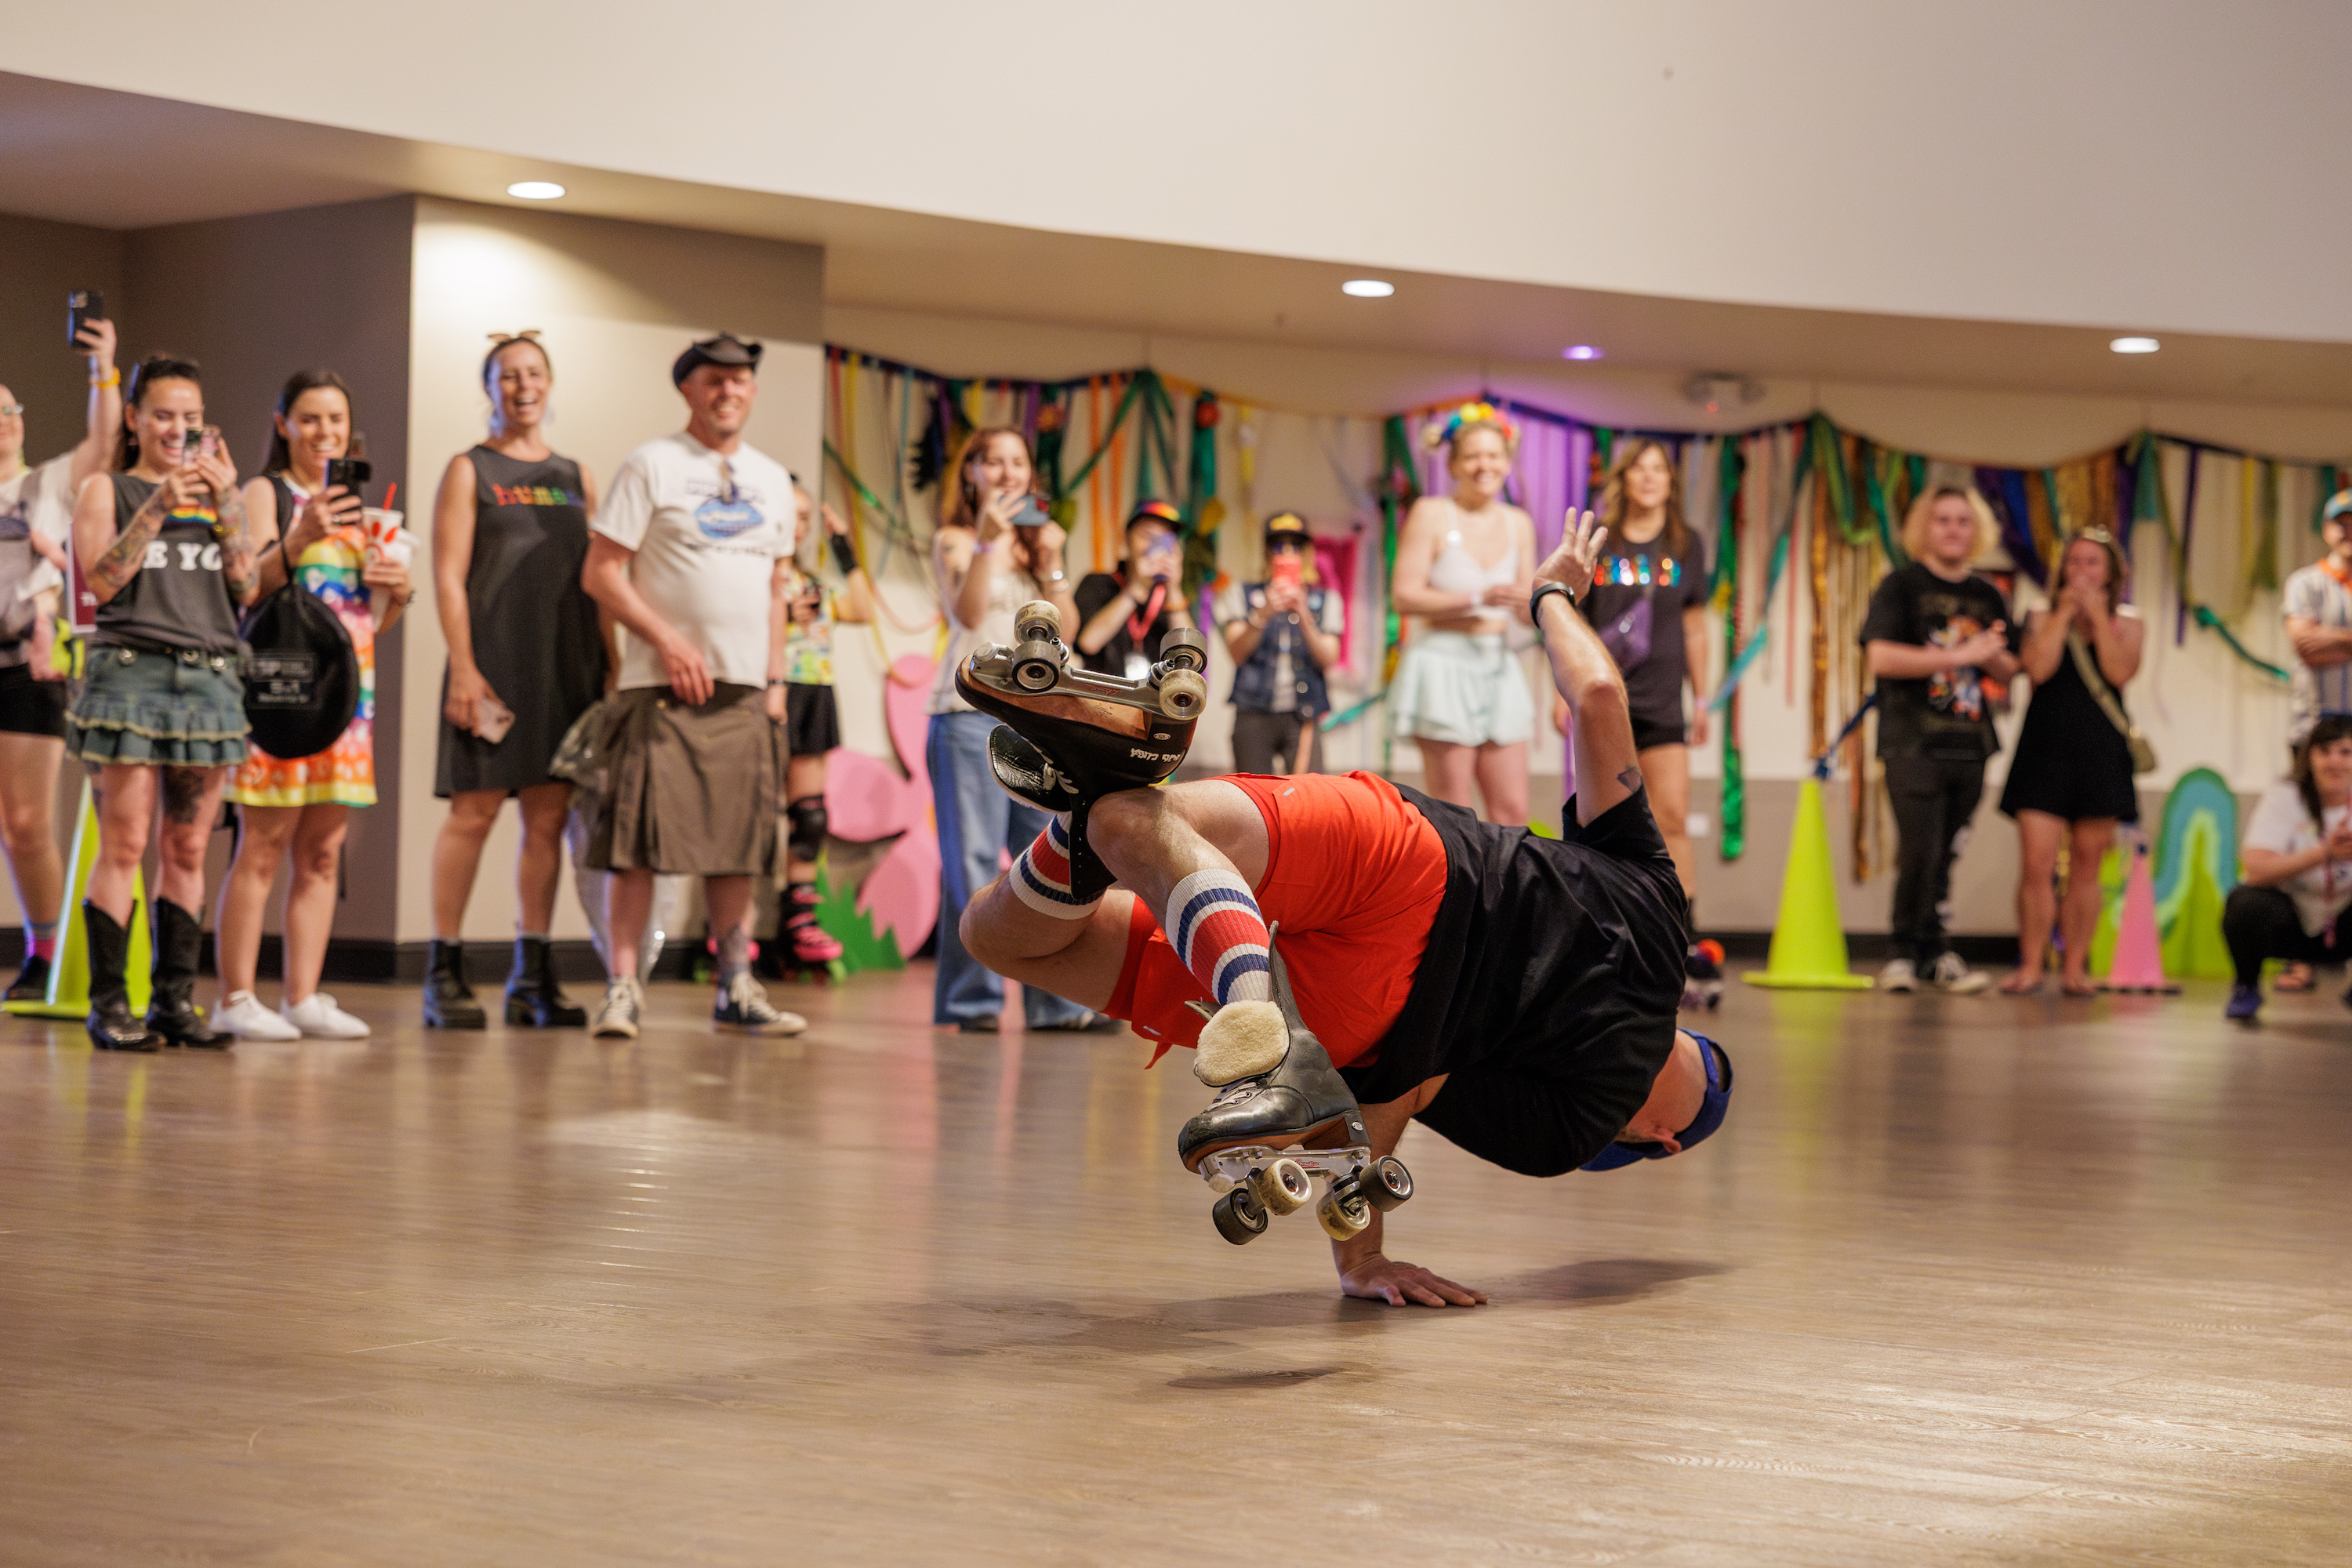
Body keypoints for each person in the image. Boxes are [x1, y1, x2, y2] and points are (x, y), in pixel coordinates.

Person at [957, 506, 1729, 1305]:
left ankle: (1104, 817)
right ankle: (1260, 1019)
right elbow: (1406, 1087)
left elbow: (1600, 695)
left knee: (1129, 826)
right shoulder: (1574, 1131)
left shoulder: (1661, 915)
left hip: (1408, 859)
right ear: (1660, 1139)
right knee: (1008, 927)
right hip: (1352, 1014)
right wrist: (1361, 1258)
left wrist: (1550, 597)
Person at [579, 332, 808, 1042]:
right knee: (638, 844)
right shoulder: (652, 464)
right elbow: (602, 572)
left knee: (737, 846)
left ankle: (736, 985)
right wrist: (668, 640)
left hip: (746, 690)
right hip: (662, 687)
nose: (728, 391)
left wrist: (775, 680)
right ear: (688, 389)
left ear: (753, 392)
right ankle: (623, 989)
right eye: (714, 379)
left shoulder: (773, 479)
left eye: (740, 380)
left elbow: (777, 588)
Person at [210, 371, 414, 1040]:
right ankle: (236, 996)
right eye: (311, 419)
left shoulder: (361, 508)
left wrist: (396, 592)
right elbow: (249, 589)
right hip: (279, 687)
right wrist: (301, 536)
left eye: (336, 420)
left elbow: (368, 622)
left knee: (324, 850)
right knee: (262, 844)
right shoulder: (264, 493)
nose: (326, 433)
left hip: (346, 694)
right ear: (283, 424)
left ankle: (303, 994)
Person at [67, 354, 259, 1051]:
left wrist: (228, 499)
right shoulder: (105, 489)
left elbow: (246, 585)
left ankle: (175, 1003)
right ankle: (111, 1006)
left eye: (192, 418)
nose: (179, 430)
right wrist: (159, 504)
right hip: (130, 675)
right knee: (123, 841)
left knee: (186, 846)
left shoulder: (218, 496)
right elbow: (103, 583)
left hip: (209, 678)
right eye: (166, 416)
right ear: (136, 419)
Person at [425, 332, 605, 1029]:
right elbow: (446, 575)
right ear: (490, 387)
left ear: (549, 383)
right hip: (491, 664)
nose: (522, 385)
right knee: (471, 815)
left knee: (549, 819)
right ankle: (443, 970)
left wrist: (610, 665)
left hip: (565, 665)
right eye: (508, 376)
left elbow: (596, 576)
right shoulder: (469, 468)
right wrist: (464, 668)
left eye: (533, 373)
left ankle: (532, 974)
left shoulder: (576, 474)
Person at [924, 425, 1106, 1033]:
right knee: (973, 862)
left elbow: (1070, 631)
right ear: (970, 473)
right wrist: (984, 545)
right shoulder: (956, 539)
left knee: (1051, 861)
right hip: (968, 718)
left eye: (1017, 462)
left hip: (1046, 722)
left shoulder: (1040, 547)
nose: (1006, 472)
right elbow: (968, 614)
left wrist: (1052, 563)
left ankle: (1056, 1004)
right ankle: (971, 1002)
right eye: (992, 462)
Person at [1860, 486, 2020, 995]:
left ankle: (1936, 951)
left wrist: (1988, 654)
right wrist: (1959, 654)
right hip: (1912, 741)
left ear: (1977, 531)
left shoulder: (1988, 594)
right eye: (1943, 520)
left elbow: (2009, 666)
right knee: (1919, 849)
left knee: (1949, 851)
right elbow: (1882, 658)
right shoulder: (1900, 587)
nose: (1953, 529)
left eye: (1963, 521)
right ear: (1924, 528)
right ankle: (1903, 950)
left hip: (1971, 742)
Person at [0, 314, 118, 1002]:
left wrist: (102, 365)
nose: (4, 422)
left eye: (10, 411)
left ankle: (44, 949)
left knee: (24, 822)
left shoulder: (46, 485)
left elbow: (103, 443)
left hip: (28, 667)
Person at [1573, 439, 1715, 1003]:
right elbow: (1573, 624)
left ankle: (1680, 936)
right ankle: (1609, 938)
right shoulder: (1600, 542)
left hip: (1662, 705)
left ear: (1670, 483)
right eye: (1641, 469)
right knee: (1605, 824)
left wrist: (1702, 699)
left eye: (1661, 470)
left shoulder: (1687, 543)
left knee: (1672, 817)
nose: (1651, 479)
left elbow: (1698, 626)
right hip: (1605, 700)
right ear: (1624, 479)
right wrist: (1567, 698)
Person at [1996, 530, 2144, 996]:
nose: (2082, 571)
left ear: (2111, 573)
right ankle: (2033, 964)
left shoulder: (2129, 622)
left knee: (2087, 865)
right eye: (2075, 562)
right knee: (2036, 864)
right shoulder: (2040, 616)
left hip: (2101, 749)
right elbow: (2036, 670)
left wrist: (2098, 618)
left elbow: (2120, 672)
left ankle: (2076, 967)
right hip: (2045, 746)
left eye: (2093, 563)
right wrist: (2063, 614)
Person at [1386, 401, 1537, 823]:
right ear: (1453, 464)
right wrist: (1475, 598)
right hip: (1442, 664)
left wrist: (1549, 601)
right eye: (1472, 456)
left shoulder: (1518, 523)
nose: (1483, 465)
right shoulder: (1431, 513)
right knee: (1455, 811)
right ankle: (1461, 891)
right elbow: (1404, 596)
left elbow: (1524, 607)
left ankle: (1511, 892)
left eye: (1493, 455)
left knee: (1512, 810)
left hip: (1498, 664)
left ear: (1507, 463)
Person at [768, 480, 873, 977]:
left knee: (809, 816)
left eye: (805, 517)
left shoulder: (814, 584)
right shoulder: (755, 580)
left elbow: (863, 610)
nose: (798, 525)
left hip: (814, 693)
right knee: (756, 816)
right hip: (771, 692)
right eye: (790, 514)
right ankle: (732, 927)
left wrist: (844, 550)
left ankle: (800, 920)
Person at [2221, 715, 2352, 1022]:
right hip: (2292, 920)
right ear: (2309, 757)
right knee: (2244, 902)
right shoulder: (2285, 795)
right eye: (2324, 751)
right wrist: (2324, 853)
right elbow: (2255, 869)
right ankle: (2246, 985)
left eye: (2346, 752)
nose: (2335, 762)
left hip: (2345, 921)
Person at [2273, 489, 2352, 996]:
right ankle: (2296, 958)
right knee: (2301, 842)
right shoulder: (2305, 583)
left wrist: (2336, 638)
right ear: (2326, 529)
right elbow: (2305, 645)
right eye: (2340, 522)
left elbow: (2324, 644)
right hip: (2311, 731)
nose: (2348, 530)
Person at [1215, 511, 1344, 775]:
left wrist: (1304, 615)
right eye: (1278, 546)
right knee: (1251, 795)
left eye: (1295, 547)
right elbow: (1236, 652)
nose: (1286, 554)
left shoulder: (1325, 601)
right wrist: (1263, 614)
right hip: (1252, 713)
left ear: (1306, 554)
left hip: (1303, 714)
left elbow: (1328, 658)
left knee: (1310, 798)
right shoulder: (1243, 594)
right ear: (1266, 554)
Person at [1073, 499, 1196, 679]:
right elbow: (1088, 643)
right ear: (1126, 539)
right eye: (1148, 537)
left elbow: (1191, 659)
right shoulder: (1097, 583)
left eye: (1166, 540)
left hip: (1153, 702)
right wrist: (1137, 588)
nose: (1157, 548)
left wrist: (1174, 588)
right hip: (1102, 698)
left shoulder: (1171, 600)